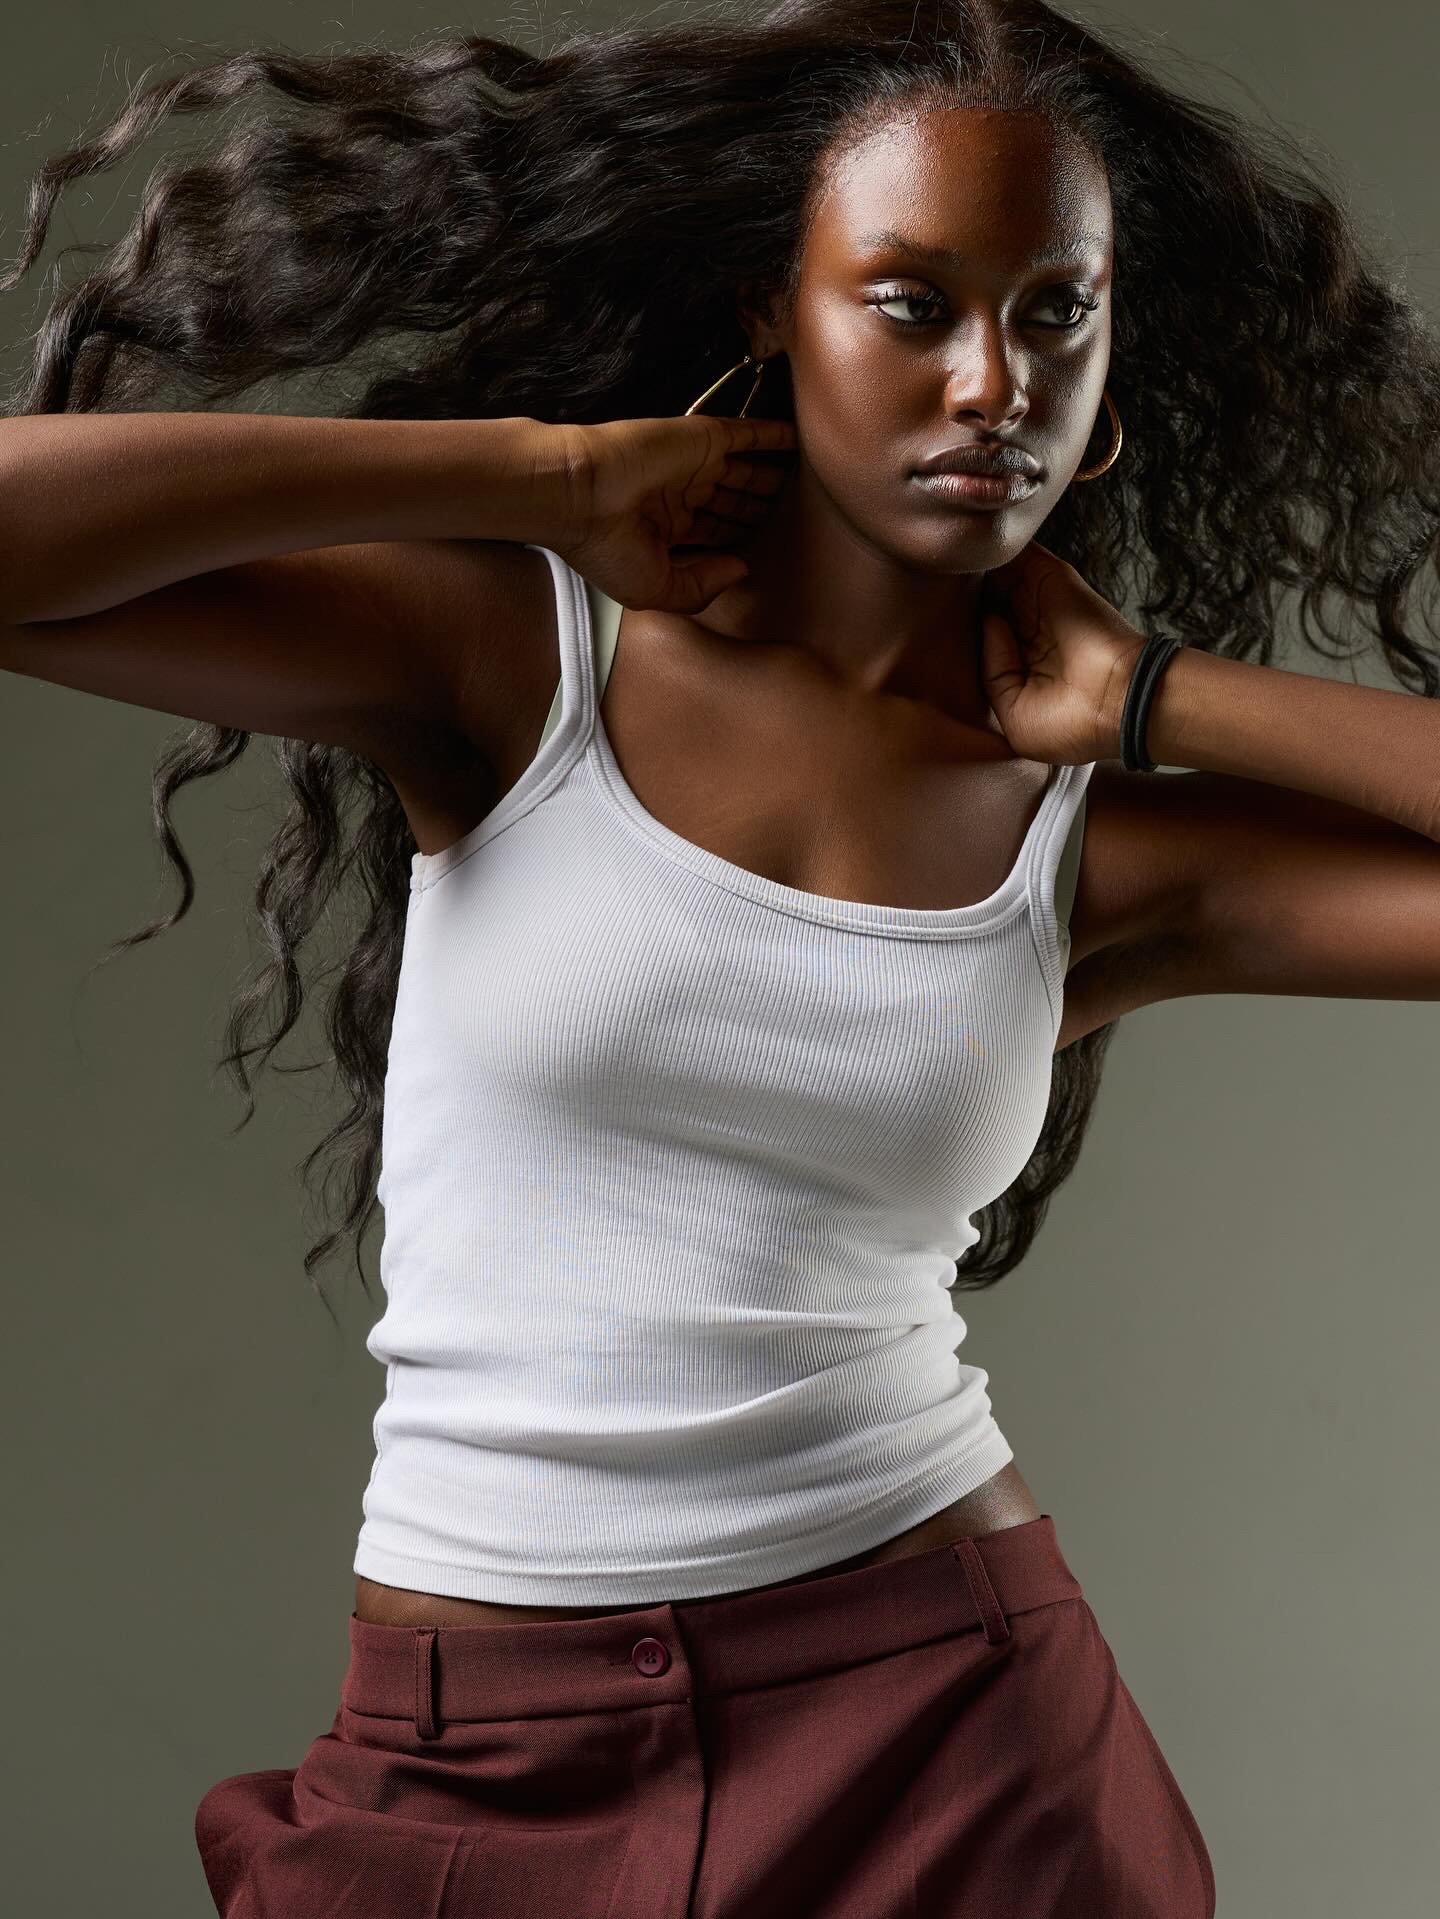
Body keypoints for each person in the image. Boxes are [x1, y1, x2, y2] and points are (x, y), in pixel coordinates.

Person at [3, 1, 1437, 1913]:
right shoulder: (525, 669)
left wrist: (1171, 697)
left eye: (1058, 311)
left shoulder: (1093, 850)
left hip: (956, 1748)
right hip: (470, 1754)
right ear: (780, 308)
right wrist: (541, 482)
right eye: (912, 305)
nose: (996, 380)